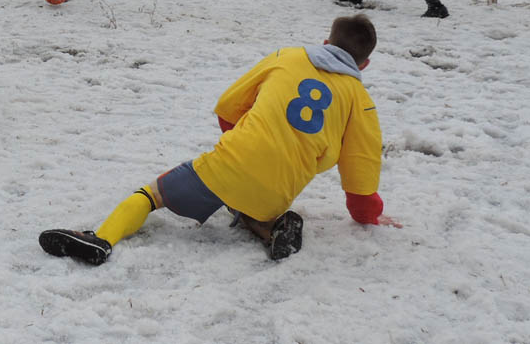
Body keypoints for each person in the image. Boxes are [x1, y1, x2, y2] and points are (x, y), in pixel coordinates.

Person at [39, 14, 402, 265]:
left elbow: (228, 107)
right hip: (281, 187)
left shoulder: (287, 57)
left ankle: (101, 240)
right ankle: (271, 228)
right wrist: (367, 215)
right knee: (254, 202)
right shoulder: (361, 102)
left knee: (151, 196)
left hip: (229, 164)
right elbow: (361, 172)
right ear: (364, 65)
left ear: (325, 41)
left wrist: (241, 142)